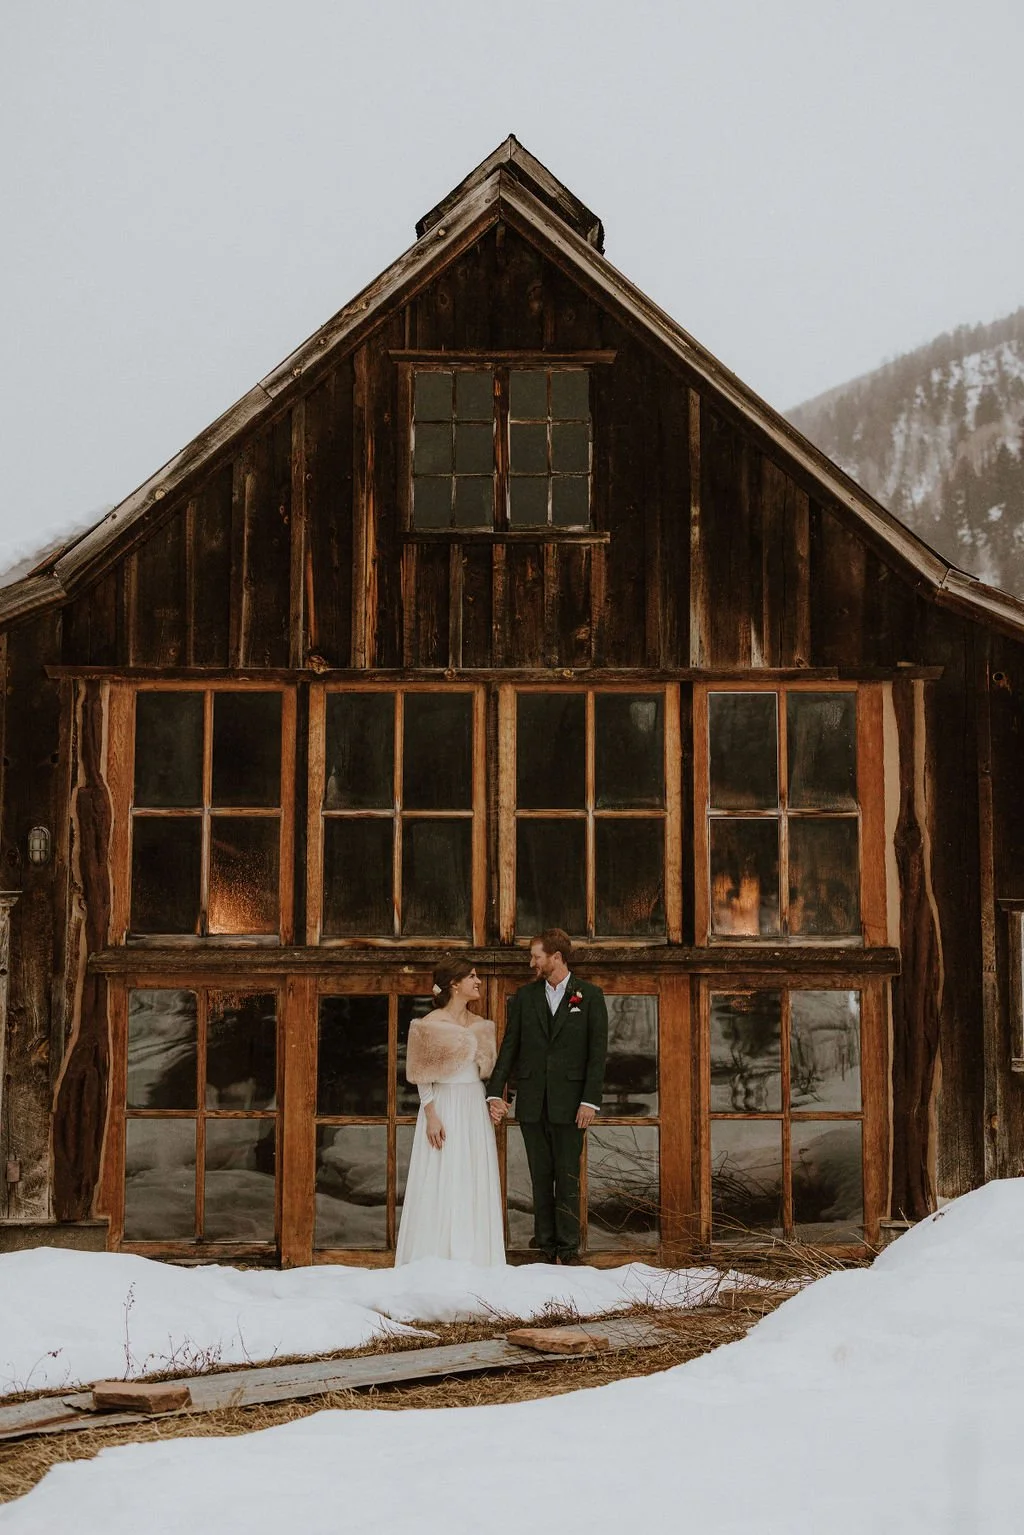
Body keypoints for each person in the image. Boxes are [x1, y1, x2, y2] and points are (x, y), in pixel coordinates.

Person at [487, 929, 608, 1264]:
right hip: (532, 1102)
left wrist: (590, 1100)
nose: (531, 963)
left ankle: (568, 1250)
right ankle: (544, 1246)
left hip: (572, 1105)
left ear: (556, 957)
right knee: (540, 1176)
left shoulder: (590, 996)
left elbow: (597, 1054)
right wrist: (496, 1091)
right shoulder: (525, 997)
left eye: (536, 956)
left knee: (568, 1176)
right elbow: (509, 1047)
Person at [395, 958, 505, 1266]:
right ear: (454, 984)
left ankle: (476, 1258)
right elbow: (420, 1073)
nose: (478, 981)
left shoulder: (482, 1026)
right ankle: (437, 1256)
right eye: (471, 976)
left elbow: (488, 1075)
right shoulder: (429, 1024)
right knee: (442, 1175)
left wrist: (493, 1102)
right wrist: (431, 1114)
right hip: (443, 1105)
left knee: (471, 1175)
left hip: (473, 1105)